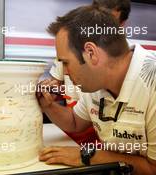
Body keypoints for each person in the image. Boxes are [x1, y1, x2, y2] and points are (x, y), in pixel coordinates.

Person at [37, 5, 156, 175]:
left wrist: (87, 156)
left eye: (66, 63)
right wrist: (48, 105)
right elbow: (75, 122)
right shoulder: (97, 82)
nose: (65, 73)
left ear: (91, 53)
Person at [48, 0, 131, 145]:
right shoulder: (93, 83)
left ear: (122, 24)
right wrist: (47, 100)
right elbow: (75, 122)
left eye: (111, 21)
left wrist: (88, 157)